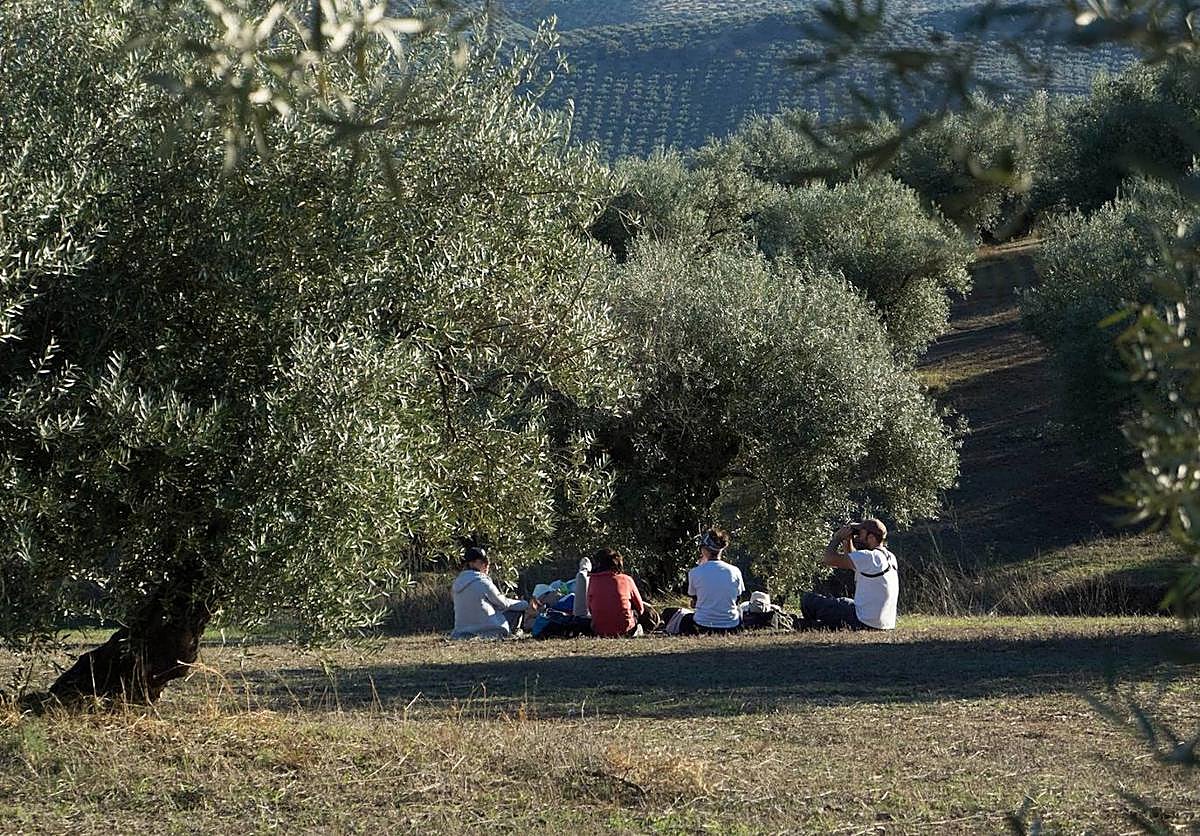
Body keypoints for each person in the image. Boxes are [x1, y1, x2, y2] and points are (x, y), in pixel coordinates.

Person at [801, 518, 898, 631]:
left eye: (861, 533)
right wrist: (847, 541)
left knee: (808, 600)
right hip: (882, 624)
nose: (858, 537)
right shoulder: (889, 557)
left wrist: (837, 538)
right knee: (845, 601)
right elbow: (853, 562)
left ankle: (811, 625)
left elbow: (828, 559)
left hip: (862, 620)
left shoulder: (870, 557)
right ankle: (818, 625)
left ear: (871, 537)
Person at [450, 546, 535, 639]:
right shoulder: (483, 582)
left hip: (461, 631)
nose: (487, 565)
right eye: (483, 562)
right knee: (518, 609)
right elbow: (504, 604)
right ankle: (515, 632)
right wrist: (524, 603)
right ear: (471, 563)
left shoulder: (456, 583)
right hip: (488, 631)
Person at [679, 527, 744, 635]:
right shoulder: (735, 571)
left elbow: (694, 601)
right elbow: (737, 599)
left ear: (704, 550)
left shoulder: (695, 572)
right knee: (740, 611)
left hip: (702, 625)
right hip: (731, 625)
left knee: (685, 619)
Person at [586, 547, 647, 637]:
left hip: (599, 630)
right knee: (648, 612)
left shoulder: (592, 580)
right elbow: (640, 609)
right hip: (626, 629)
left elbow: (590, 608)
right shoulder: (626, 579)